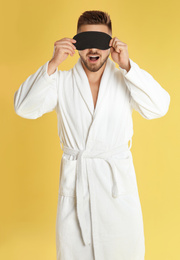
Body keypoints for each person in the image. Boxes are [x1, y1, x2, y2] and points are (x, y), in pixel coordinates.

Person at [14, 10, 170, 260]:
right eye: (86, 43)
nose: (92, 50)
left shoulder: (126, 79)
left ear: (111, 45)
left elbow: (160, 107)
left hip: (117, 194)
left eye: (100, 42)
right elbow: (23, 107)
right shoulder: (61, 82)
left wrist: (128, 65)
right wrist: (52, 64)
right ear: (76, 44)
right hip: (76, 193)